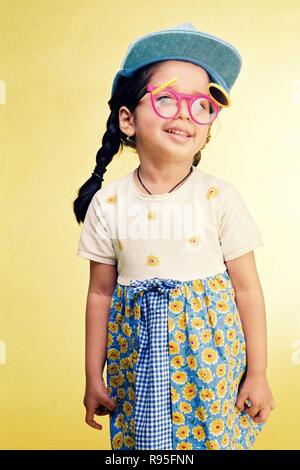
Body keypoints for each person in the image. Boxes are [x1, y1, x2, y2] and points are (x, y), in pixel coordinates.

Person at [74, 22, 275, 450]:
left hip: (210, 364)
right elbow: (99, 295)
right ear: (127, 119)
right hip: (139, 363)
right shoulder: (108, 205)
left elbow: (247, 290)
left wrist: (257, 373)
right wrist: (93, 375)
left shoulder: (218, 197)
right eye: (166, 98)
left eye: (203, 105)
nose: (186, 112)